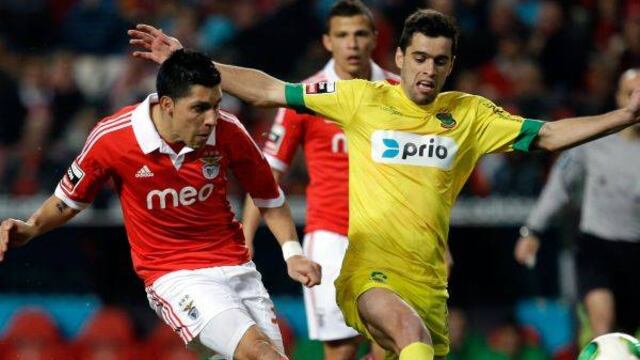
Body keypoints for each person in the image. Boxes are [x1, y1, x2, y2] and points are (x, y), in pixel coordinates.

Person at [128, 9, 640, 359]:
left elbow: (548, 135)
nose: (428, 70)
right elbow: (268, 90)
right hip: (369, 270)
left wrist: (625, 114)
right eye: (419, 58)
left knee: (412, 341)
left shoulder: (471, 115)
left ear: (451, 66)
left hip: (429, 283)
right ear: (398, 58)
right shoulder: (361, 98)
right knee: (404, 332)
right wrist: (188, 61)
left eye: (440, 61)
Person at [0, 49, 321, 360]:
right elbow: (67, 202)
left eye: (216, 105)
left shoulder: (228, 130)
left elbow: (269, 197)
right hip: (174, 274)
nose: (212, 119)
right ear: (167, 104)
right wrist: (30, 228)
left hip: (236, 266)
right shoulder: (114, 138)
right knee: (260, 353)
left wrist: (292, 254)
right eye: (199, 108)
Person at [240, 1, 397, 359]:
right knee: (340, 349)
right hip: (330, 236)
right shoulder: (305, 97)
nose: (352, 44)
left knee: (391, 344)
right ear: (328, 42)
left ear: (374, 38)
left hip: (392, 234)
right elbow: (266, 176)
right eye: (343, 35)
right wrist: (245, 235)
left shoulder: (399, 92)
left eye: (360, 34)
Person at [514, 69, 640, 340]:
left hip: (636, 251)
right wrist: (533, 229)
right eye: (631, 94)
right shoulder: (593, 140)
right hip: (598, 247)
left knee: (628, 337)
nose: (637, 101)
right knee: (603, 327)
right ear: (618, 98)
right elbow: (560, 186)